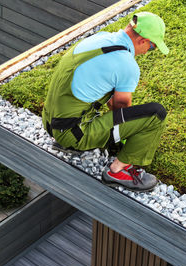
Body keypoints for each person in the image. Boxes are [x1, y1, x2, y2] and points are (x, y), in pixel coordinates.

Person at [42, 12, 169, 192]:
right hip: (73, 133)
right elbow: (120, 108)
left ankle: (70, 141)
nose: (148, 52)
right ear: (143, 41)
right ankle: (120, 170)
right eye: (152, 47)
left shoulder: (100, 38)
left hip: (50, 122)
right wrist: (129, 135)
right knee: (156, 115)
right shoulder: (126, 64)